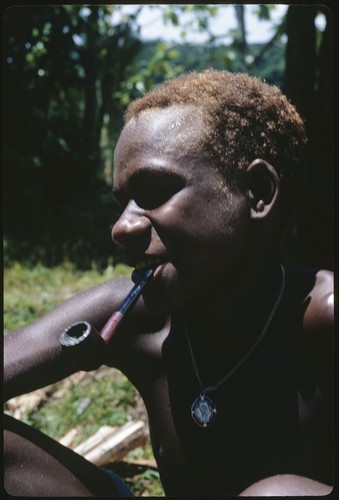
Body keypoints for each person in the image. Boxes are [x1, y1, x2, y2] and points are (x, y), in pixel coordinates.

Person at [4, 69, 334, 496]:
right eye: (122, 203)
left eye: (156, 191)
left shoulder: (322, 321)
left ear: (257, 191)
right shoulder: (136, 318)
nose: (122, 228)